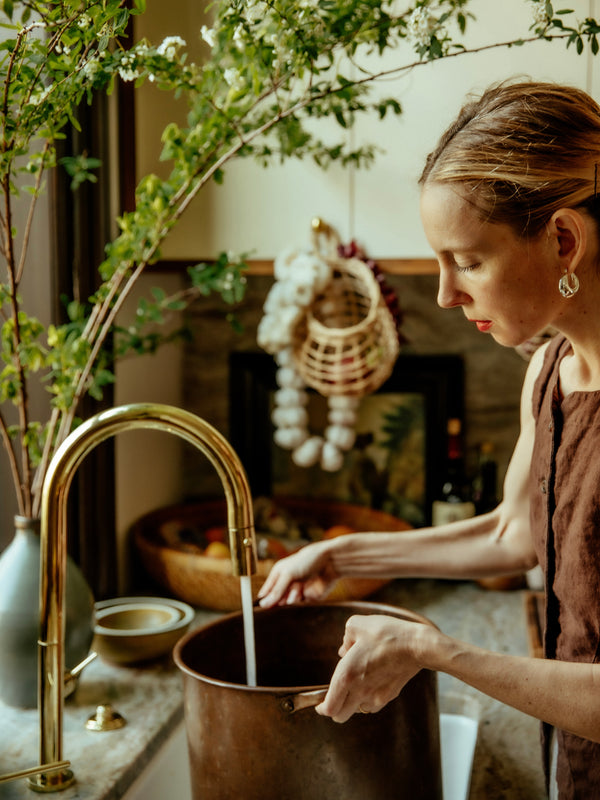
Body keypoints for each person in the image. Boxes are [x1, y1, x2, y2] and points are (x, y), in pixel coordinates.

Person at [257, 80, 600, 799]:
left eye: (468, 261)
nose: (445, 294)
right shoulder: (550, 371)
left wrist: (436, 650)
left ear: (564, 239)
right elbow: (514, 533)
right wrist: (342, 554)